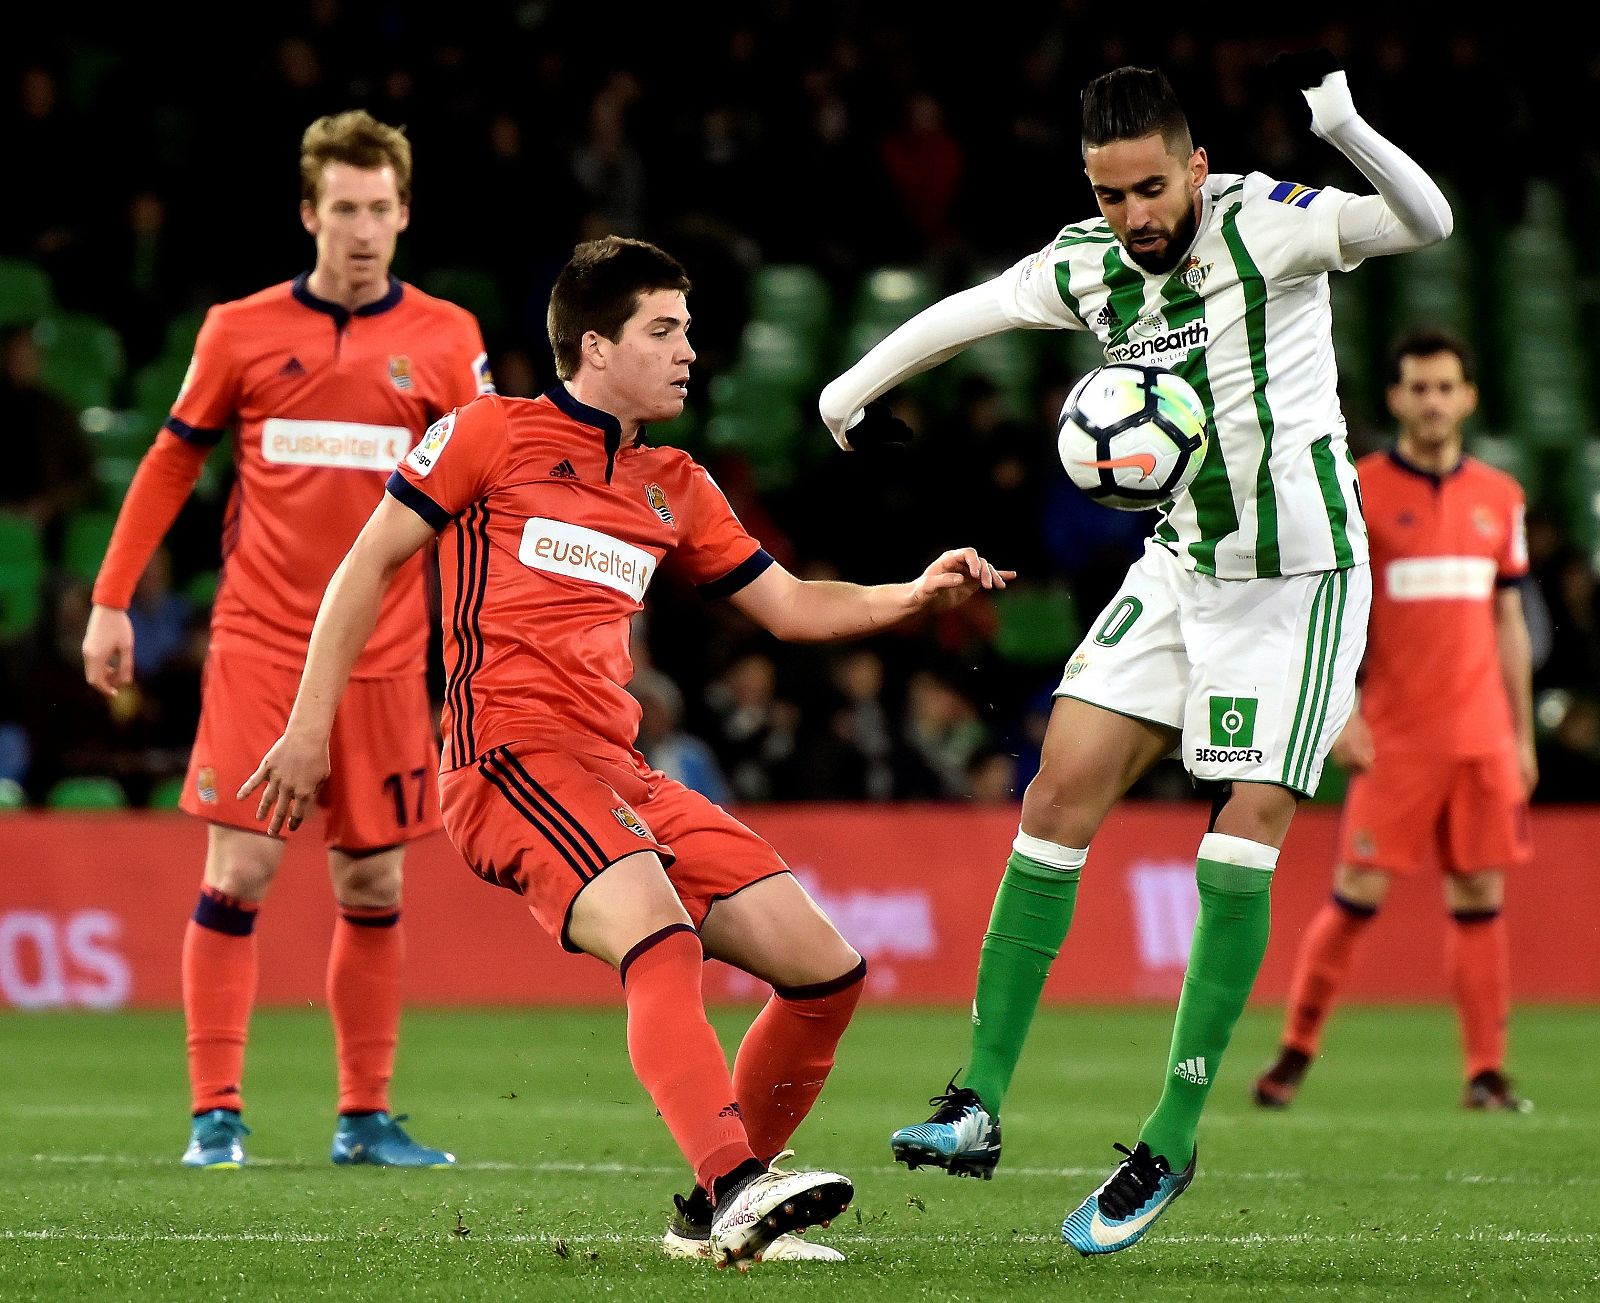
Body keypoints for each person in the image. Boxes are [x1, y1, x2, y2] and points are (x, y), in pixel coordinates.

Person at [239, 236, 1013, 1268]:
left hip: (619, 771)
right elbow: (363, 565)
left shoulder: (674, 482)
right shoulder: (489, 435)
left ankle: (707, 1217)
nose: (689, 350)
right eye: (664, 330)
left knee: (824, 968)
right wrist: (304, 727)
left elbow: (787, 606)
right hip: (507, 757)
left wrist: (912, 594)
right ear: (594, 346)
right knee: (659, 933)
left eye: (687, 329)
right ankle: (739, 1182)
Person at [818, 52, 1452, 1255]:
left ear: (1194, 167)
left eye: (1151, 190)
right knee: (1053, 792)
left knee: (1236, 834)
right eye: (1110, 195)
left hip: (1299, 580)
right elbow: (973, 310)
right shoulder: (1089, 261)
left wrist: (1349, 128)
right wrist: (844, 394)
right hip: (1182, 566)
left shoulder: (1269, 223)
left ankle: (1171, 1131)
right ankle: (976, 1103)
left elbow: (1427, 220)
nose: (1134, 216)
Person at [81, 110, 494, 1170]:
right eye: (342, 209)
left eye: (379, 210)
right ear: (309, 214)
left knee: (372, 887)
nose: (361, 229)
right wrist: (112, 596)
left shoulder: (446, 339)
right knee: (244, 863)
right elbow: (173, 462)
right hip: (262, 642)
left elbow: (489, 487)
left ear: (405, 216)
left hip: (390, 656)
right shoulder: (239, 330)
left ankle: (364, 1117)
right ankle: (214, 1112)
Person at [1255, 331, 1536, 1113]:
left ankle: (1485, 1071)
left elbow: (1508, 620)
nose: (1434, 401)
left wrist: (1522, 735)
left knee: (1480, 897)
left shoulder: (1501, 497)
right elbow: (1330, 609)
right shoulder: (1360, 489)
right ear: (1395, 397)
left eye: (1447, 387)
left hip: (1481, 737)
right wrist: (1340, 710)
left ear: (1470, 396)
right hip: (1395, 734)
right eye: (1419, 388)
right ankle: (1293, 1053)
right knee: (1355, 893)